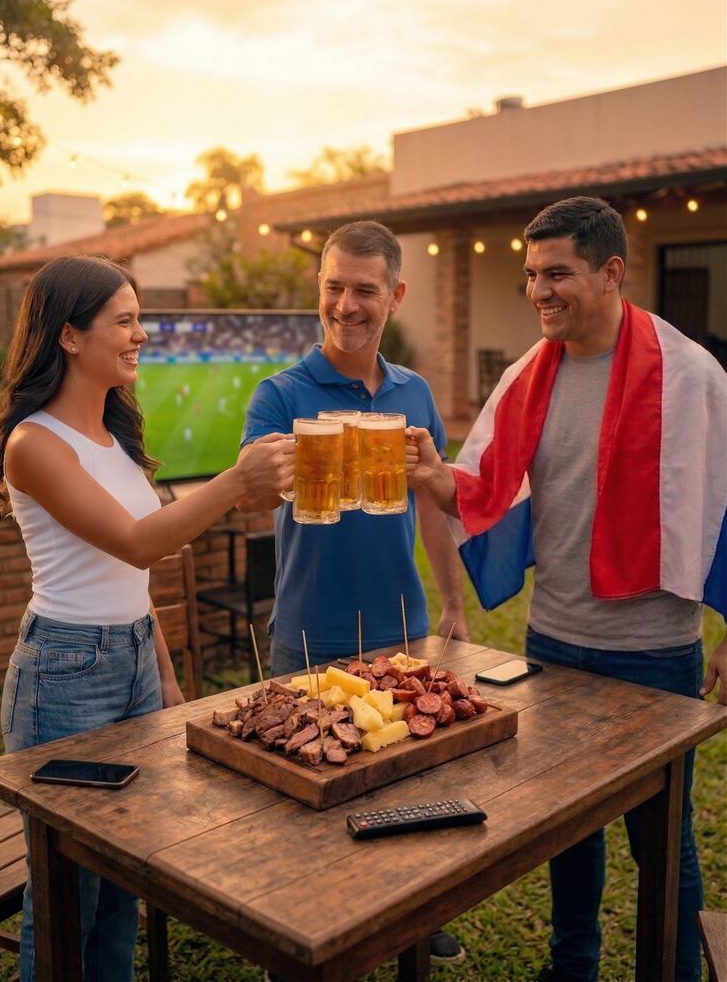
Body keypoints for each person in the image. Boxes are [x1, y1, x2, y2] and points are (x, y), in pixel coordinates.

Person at [406, 196, 727, 982]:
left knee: (664, 839)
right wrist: (432, 477)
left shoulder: (693, 375)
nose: (539, 290)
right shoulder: (527, 376)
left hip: (655, 652)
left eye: (557, 273)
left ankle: (678, 972)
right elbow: (484, 490)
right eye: (529, 274)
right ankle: (570, 967)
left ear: (611, 272)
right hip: (553, 645)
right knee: (568, 832)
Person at [0, 255, 294, 982]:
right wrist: (233, 483)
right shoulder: (34, 445)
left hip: (128, 662)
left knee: (124, 878)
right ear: (69, 335)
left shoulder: (118, 440)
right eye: (123, 320)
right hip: (66, 674)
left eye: (138, 318)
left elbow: (131, 576)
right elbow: (136, 542)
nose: (139, 334)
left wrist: (162, 678)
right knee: (66, 893)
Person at [240, 219, 470, 970]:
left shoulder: (415, 393)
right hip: (308, 632)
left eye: (364, 290)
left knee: (404, 792)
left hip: (402, 630)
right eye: (333, 287)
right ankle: (304, 932)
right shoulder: (280, 394)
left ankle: (409, 917)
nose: (346, 304)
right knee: (305, 803)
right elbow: (247, 489)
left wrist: (454, 604)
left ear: (394, 296)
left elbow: (434, 504)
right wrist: (267, 467)